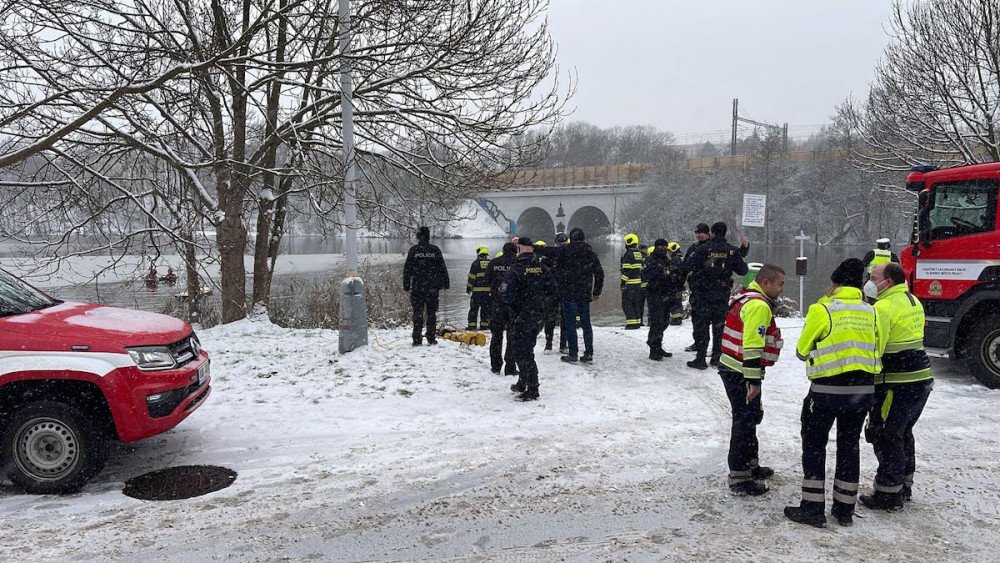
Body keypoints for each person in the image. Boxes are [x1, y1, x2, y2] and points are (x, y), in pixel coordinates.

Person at [785, 258, 880, 528]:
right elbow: (877, 347)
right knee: (849, 446)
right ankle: (844, 509)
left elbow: (802, 350)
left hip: (826, 392)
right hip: (862, 392)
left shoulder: (822, 309)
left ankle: (813, 509)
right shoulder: (871, 311)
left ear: (834, 283)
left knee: (815, 447)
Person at [859, 262, 933, 511]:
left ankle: (888, 494)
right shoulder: (912, 300)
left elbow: (875, 350)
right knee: (903, 432)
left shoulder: (883, 307)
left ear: (887, 282)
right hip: (920, 380)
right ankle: (904, 485)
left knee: (886, 434)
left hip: (897, 382)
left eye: (873, 277)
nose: (869, 280)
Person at [718, 264, 786, 496]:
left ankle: (750, 464)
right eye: (780, 284)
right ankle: (739, 477)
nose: (782, 289)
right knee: (744, 421)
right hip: (741, 372)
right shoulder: (758, 305)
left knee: (751, 417)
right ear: (765, 283)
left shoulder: (746, 296)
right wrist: (753, 381)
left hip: (735, 368)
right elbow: (753, 346)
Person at [682, 222, 749, 370]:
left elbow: (687, 266)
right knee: (719, 327)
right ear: (725, 233)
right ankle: (716, 358)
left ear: (712, 233)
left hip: (703, 294)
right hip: (721, 294)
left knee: (702, 326)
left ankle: (700, 359)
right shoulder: (731, 251)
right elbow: (743, 270)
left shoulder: (702, 249)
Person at [500, 237, 558, 401]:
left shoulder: (516, 270)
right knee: (527, 348)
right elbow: (554, 292)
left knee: (522, 352)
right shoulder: (542, 268)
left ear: (519, 249)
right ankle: (522, 381)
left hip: (521, 317)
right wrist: (541, 307)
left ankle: (532, 387)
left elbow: (506, 295)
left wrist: (513, 308)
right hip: (537, 317)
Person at [547, 227, 603, 363]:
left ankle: (573, 353)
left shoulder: (565, 251)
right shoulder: (590, 253)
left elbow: (549, 251)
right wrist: (596, 292)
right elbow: (600, 274)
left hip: (569, 294)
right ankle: (589, 352)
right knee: (586, 324)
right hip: (584, 294)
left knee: (570, 324)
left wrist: (531, 248)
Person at [403, 226, 449, 346]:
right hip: (432, 288)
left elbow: (407, 269)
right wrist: (445, 283)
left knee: (417, 313)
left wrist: (406, 284)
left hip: (418, 287)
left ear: (419, 237)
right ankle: (431, 337)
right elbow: (442, 267)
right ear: (429, 237)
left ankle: (417, 339)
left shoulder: (414, 250)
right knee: (431, 313)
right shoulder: (435, 250)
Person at [642, 239, 685, 361]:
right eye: (661, 247)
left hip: (667, 294)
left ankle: (656, 344)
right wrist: (658, 268)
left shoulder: (667, 260)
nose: (663, 249)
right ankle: (653, 349)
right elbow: (644, 275)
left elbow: (672, 276)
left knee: (665, 321)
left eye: (665, 247)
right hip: (654, 295)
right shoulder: (650, 260)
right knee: (657, 322)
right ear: (656, 247)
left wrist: (676, 286)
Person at [485, 242, 518, 375]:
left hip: (497, 304)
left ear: (503, 251)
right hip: (513, 306)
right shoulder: (518, 263)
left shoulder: (493, 263)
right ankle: (510, 367)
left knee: (496, 336)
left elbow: (486, 281)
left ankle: (496, 365)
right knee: (512, 337)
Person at [620, 234, 645, 330]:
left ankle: (631, 323)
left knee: (627, 303)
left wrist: (623, 282)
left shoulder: (628, 254)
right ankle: (637, 321)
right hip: (638, 283)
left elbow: (627, 269)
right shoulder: (638, 254)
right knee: (636, 302)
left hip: (630, 283)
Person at [466, 245, 492, 330]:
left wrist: (468, 287)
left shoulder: (476, 263)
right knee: (485, 309)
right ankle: (484, 325)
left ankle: (472, 325)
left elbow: (472, 277)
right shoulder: (491, 263)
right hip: (487, 292)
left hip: (477, 291)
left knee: (474, 309)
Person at [666, 242, 685, 326]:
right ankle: (679, 316)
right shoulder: (682, 258)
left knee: (674, 301)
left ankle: (676, 319)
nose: (668, 253)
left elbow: (672, 272)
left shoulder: (674, 260)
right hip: (680, 283)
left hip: (674, 283)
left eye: (669, 251)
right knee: (678, 300)